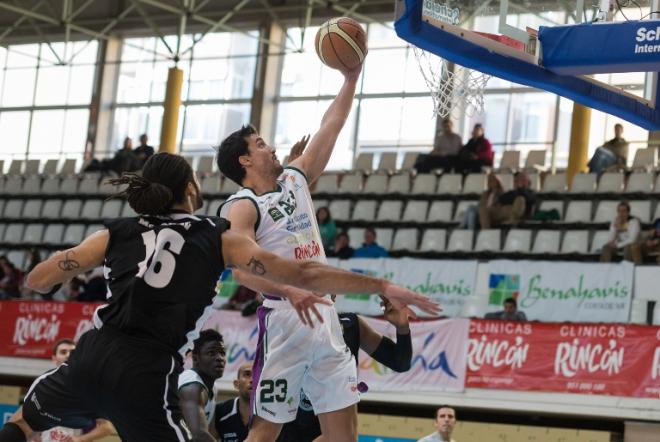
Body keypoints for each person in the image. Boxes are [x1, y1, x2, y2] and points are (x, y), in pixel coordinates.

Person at [0, 152, 438, 442]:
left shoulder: (117, 232)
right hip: (145, 371)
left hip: (89, 356)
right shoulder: (217, 235)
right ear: (191, 190)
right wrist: (380, 285)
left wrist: (54, 269)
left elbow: (40, 279)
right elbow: (306, 272)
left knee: (21, 424)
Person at [214, 62, 437, 441]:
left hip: (327, 318)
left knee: (343, 437)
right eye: (261, 144)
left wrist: (351, 78)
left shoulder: (296, 178)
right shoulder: (242, 205)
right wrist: (289, 289)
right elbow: (241, 271)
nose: (270, 147)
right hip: (285, 320)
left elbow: (330, 125)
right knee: (266, 432)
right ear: (245, 161)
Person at [278, 298, 414, 442]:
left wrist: (402, 327)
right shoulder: (286, 325)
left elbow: (400, 363)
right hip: (290, 428)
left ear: (334, 294)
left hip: (335, 427)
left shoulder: (351, 325)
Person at [28, 339, 115, 442]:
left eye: (72, 352)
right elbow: (26, 421)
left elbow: (107, 427)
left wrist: (80, 439)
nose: (68, 355)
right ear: (54, 358)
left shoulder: (87, 390)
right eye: (63, 352)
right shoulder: (42, 386)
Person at [179, 330, 226, 441]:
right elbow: (200, 435)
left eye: (222, 353)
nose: (219, 358)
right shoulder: (191, 384)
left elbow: (211, 431)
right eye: (211, 353)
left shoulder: (213, 387)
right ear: (195, 358)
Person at [214, 363, 253, 442]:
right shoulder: (220, 411)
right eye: (247, 374)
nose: (252, 379)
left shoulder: (273, 415)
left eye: (257, 374)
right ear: (236, 384)